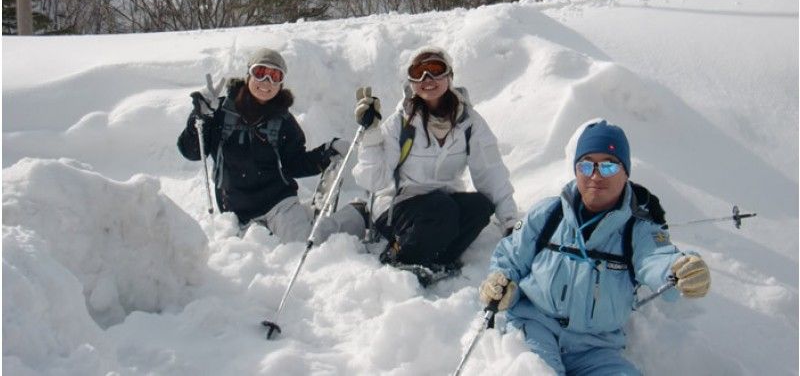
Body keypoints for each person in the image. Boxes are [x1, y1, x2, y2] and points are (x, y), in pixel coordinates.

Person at [479, 119, 711, 376]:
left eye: (609, 166)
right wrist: (501, 282)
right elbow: (510, 257)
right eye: (587, 165)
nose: (596, 175)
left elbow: (658, 259)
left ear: (626, 173)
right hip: (535, 328)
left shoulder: (638, 230)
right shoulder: (547, 214)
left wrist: (681, 270)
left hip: (596, 348)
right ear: (576, 170)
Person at [351, 45, 518, 276]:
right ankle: (402, 258)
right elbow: (374, 180)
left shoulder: (469, 122)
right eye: (418, 72)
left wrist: (509, 221)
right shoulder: (401, 123)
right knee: (442, 208)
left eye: (435, 69)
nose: (427, 79)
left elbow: (492, 173)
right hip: (395, 206)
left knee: (480, 206)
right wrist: (370, 136)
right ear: (410, 82)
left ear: (449, 76)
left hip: (440, 206)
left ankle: (439, 260)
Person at [177, 48, 367, 244]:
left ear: (281, 83)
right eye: (260, 73)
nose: (266, 82)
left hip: (278, 202)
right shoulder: (219, 111)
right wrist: (199, 118)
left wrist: (326, 153)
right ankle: (304, 217)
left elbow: (294, 164)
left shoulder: (283, 119)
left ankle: (356, 216)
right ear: (248, 74)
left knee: (303, 245)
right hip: (235, 210)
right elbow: (191, 152)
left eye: (275, 76)